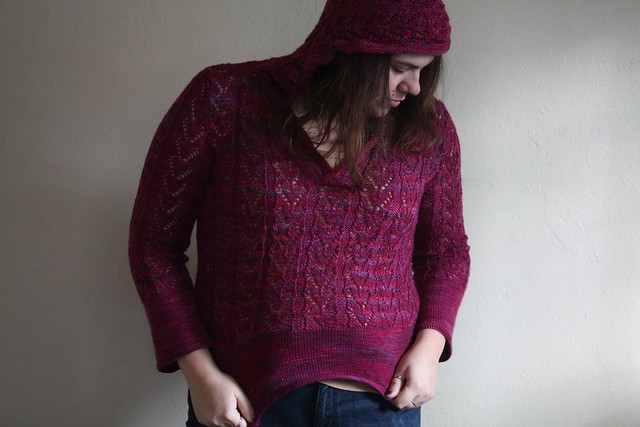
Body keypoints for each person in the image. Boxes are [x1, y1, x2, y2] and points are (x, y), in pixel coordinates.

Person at [128, 0, 470, 426]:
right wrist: (200, 374)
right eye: (401, 68)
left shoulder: (428, 132)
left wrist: (430, 347)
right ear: (350, 52)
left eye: (424, 70)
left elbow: (445, 253)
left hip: (382, 403)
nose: (414, 87)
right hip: (245, 402)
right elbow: (154, 245)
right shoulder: (225, 101)